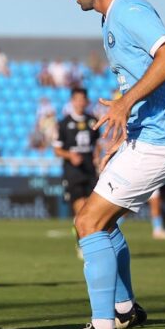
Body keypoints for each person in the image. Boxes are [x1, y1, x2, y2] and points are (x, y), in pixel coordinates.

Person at [50, 0, 165, 329]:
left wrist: (126, 104)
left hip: (160, 142)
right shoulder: (110, 17)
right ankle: (124, 307)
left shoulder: (129, 9)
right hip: (146, 138)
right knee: (103, 223)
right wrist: (126, 128)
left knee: (87, 223)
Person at [53, 87, 101, 254]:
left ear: (86, 101)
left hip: (90, 169)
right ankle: (82, 244)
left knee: (91, 209)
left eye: (83, 99)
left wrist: (98, 158)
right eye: (77, 99)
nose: (80, 102)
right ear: (72, 101)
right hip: (72, 171)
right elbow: (57, 150)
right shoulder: (64, 123)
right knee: (81, 209)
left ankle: (89, 241)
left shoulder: (93, 121)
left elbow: (98, 145)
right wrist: (70, 155)